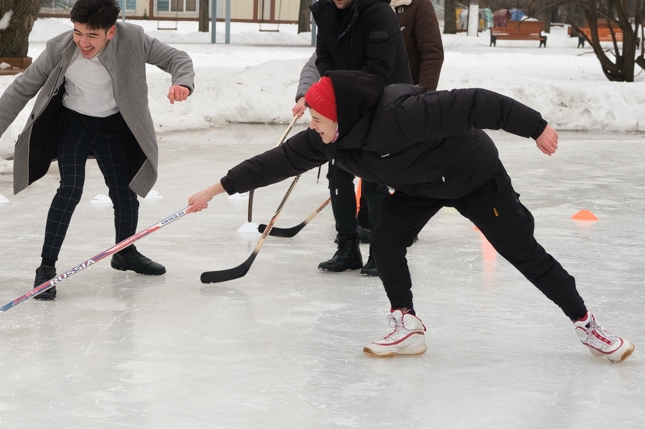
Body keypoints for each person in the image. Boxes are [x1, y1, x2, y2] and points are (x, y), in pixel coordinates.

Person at [187, 72, 634, 363]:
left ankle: (586, 323)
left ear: (342, 117)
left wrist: (535, 126)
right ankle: (406, 322)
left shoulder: (403, 114)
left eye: (318, 118)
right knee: (384, 243)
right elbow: (273, 163)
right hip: (419, 187)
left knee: (520, 249)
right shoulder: (328, 140)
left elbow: (475, 102)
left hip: (472, 175)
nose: (312, 126)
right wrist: (214, 189)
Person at [0, 0, 193, 300]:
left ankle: (124, 252)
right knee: (70, 188)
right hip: (73, 124)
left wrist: (181, 81)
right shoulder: (60, 48)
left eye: (92, 35)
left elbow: (176, 58)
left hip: (115, 126)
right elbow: (20, 89)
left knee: (125, 195)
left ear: (111, 32)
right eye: (77, 32)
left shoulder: (133, 39)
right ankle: (46, 269)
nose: (83, 42)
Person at [297, 0, 412, 277]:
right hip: (345, 103)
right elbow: (324, 58)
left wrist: (340, 91)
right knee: (338, 175)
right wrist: (333, 92)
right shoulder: (329, 12)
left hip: (384, 102)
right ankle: (347, 247)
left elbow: (379, 70)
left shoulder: (380, 15)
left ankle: (380, 251)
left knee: (374, 181)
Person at [363, 0, 443, 92]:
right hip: (369, 93)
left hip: (406, 96)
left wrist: (422, 95)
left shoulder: (418, 5)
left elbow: (432, 54)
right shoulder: (361, 6)